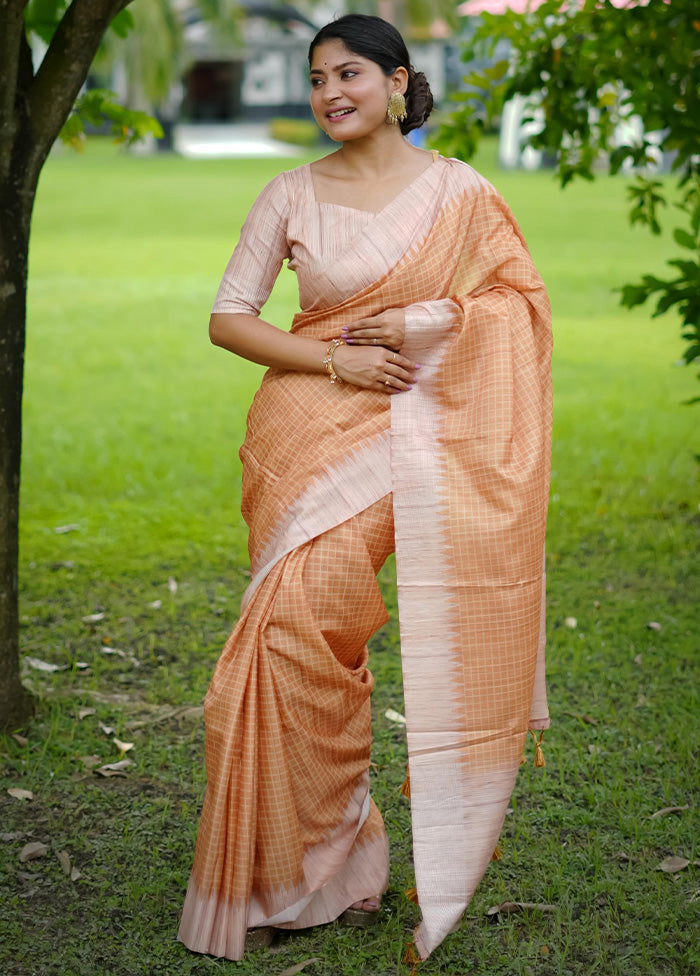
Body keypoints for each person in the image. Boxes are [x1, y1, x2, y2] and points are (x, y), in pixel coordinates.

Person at [178, 13, 552, 965]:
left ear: (397, 83)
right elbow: (228, 319)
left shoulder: (461, 193)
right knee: (280, 648)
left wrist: (428, 317)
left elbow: (517, 304)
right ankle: (316, 866)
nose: (329, 92)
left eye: (348, 73)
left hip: (407, 444)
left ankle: (326, 860)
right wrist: (333, 362)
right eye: (314, 79)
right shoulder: (289, 193)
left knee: (315, 628)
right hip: (301, 431)